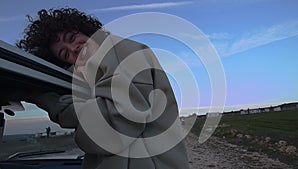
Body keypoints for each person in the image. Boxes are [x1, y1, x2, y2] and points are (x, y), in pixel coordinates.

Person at [17, 8, 190, 169]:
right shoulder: (92, 75)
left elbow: (115, 128)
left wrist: (54, 103)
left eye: (72, 38)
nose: (73, 49)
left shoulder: (117, 49)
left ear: (86, 30)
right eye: (65, 54)